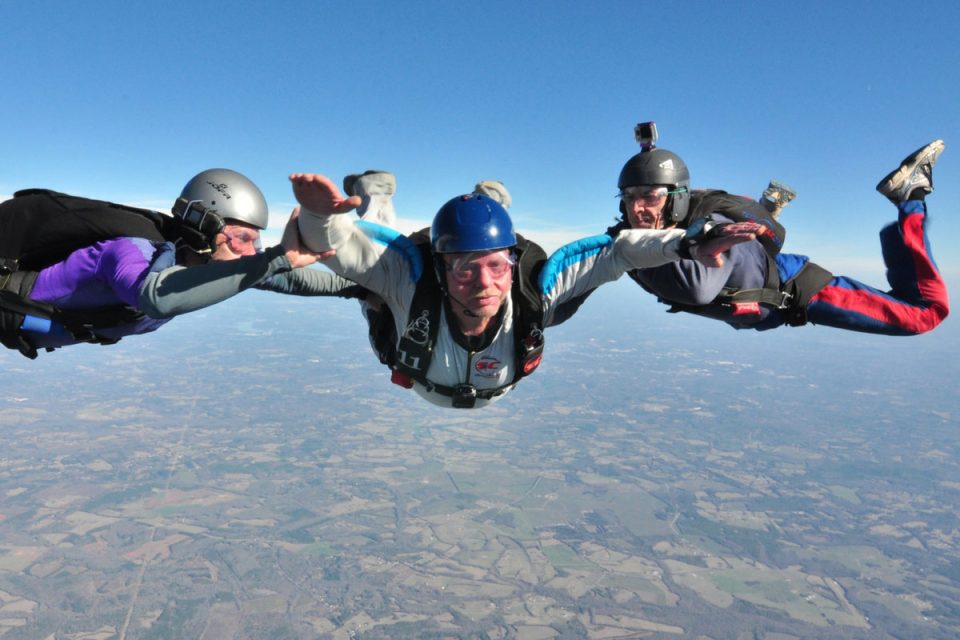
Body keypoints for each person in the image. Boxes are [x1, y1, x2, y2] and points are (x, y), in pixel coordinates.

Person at [291, 172, 765, 408]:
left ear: (513, 261)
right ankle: (379, 195)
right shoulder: (411, 279)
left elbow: (619, 251)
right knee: (363, 276)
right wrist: (317, 215)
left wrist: (686, 243)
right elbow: (341, 248)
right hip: (421, 342)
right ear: (440, 270)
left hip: (478, 354)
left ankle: (491, 204)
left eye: (498, 266)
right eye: (462, 269)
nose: (484, 284)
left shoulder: (533, 287)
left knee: (545, 302)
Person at [0, 168, 360, 358]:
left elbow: (288, 279)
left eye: (257, 242)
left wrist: (359, 288)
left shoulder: (203, 269)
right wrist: (276, 259)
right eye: (242, 238)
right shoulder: (129, 251)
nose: (251, 253)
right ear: (207, 226)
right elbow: (158, 298)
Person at [610, 139, 948, 335]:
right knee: (916, 309)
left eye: (650, 196)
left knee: (925, 313)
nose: (637, 207)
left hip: (805, 292)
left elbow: (698, 288)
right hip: (778, 296)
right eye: (628, 197)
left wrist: (635, 256)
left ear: (677, 198)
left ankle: (912, 195)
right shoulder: (640, 237)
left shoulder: (707, 230)